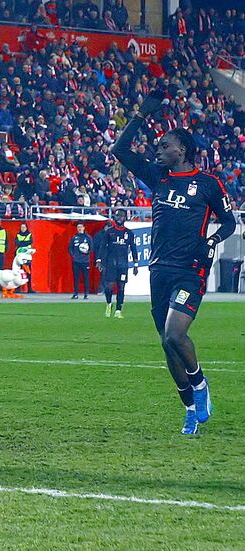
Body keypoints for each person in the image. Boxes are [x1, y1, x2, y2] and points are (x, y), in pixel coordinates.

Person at [110, 90, 237, 434]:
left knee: (175, 334)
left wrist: (211, 242)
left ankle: (199, 385)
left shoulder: (208, 185)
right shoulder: (158, 177)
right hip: (159, 270)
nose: (158, 150)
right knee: (167, 345)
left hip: (190, 270)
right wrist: (139, 116)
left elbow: (230, 223)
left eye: (164, 146)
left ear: (181, 150)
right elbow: (119, 151)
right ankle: (190, 408)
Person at [96, 210, 139, 318]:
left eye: (121, 215)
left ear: (125, 218)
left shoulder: (129, 233)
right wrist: (99, 260)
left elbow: (133, 248)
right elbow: (102, 246)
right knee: (109, 287)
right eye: (117, 215)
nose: (119, 217)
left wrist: (135, 264)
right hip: (111, 263)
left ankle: (118, 310)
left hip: (123, 265)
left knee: (121, 287)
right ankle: (109, 303)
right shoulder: (109, 232)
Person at [68, 223, 94, 299]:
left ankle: (86, 294)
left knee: (86, 278)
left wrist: (87, 252)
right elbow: (70, 248)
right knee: (76, 278)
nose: (79, 229)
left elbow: (92, 248)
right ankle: (76, 293)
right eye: (78, 227)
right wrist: (73, 256)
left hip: (85, 261)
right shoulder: (74, 237)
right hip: (76, 261)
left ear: (84, 228)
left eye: (81, 227)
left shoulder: (88, 237)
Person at [14, 223, 34, 293]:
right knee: (19, 272)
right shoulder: (18, 235)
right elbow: (17, 243)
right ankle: (18, 288)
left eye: (24, 227)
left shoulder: (29, 235)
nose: (22, 229)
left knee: (28, 272)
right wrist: (25, 243)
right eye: (21, 227)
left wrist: (22, 243)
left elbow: (30, 242)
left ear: (26, 228)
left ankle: (29, 288)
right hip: (19, 256)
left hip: (27, 256)